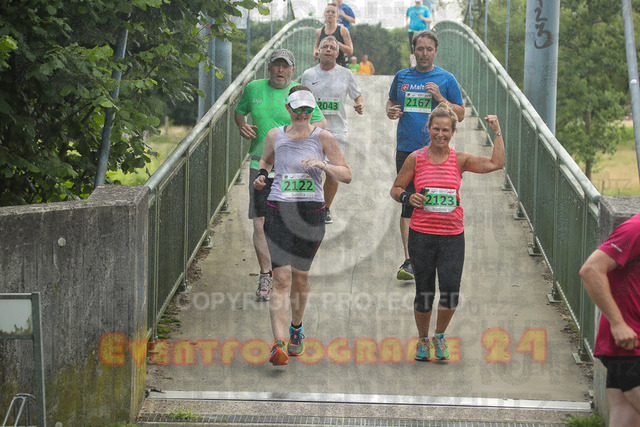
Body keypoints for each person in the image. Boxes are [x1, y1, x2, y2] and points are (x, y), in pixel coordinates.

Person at [390, 104, 504, 361]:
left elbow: (496, 163)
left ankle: (439, 336)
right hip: (422, 236)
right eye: (436, 129)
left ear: (453, 132)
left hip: (452, 237)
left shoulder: (459, 160)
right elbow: (396, 188)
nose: (440, 134)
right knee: (424, 293)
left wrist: (497, 131)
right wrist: (408, 197)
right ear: (428, 129)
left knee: (451, 292)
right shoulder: (416, 158)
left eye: (445, 130)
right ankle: (423, 340)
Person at [254, 86, 352, 365]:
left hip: (311, 214)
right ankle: (278, 344)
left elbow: (346, 175)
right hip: (279, 210)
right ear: (288, 108)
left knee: (299, 278)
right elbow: (266, 159)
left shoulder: (323, 137)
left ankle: (296, 328)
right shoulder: (275, 135)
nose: (302, 114)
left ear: (313, 111)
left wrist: (323, 166)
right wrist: (262, 175)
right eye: (297, 109)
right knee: (282, 279)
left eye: (307, 110)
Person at [235, 49, 326, 302]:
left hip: (291, 169)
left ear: (293, 70)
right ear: (269, 67)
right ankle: (266, 275)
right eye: (276, 65)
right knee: (260, 222)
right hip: (261, 164)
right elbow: (239, 111)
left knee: (291, 221)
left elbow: (321, 122)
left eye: (285, 66)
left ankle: (291, 271)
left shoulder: (299, 93)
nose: (280, 70)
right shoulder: (253, 88)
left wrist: (297, 137)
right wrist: (241, 124)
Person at [386, 30, 465, 281]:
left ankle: (434, 252)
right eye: (420, 49)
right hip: (407, 149)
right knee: (408, 201)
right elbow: (391, 102)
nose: (424, 54)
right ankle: (410, 260)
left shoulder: (446, 78)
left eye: (429, 49)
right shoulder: (402, 77)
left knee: (435, 203)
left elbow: (461, 114)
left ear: (435, 52)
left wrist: (440, 98)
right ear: (414, 51)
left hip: (437, 152)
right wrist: (391, 111)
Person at [580, 213, 640, 426]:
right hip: (629, 343)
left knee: (626, 416)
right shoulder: (635, 228)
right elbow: (591, 270)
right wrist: (618, 323)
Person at [302, 36, 364, 224]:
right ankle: (311, 205)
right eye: (325, 47)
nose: (328, 50)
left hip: (337, 131)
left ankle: (325, 209)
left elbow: (358, 96)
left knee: (333, 171)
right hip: (312, 130)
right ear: (319, 51)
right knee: (311, 169)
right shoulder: (308, 75)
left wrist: (359, 104)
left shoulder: (346, 74)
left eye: (332, 47)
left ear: (337, 53)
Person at [313, 3, 353, 68]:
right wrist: (316, 52)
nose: (330, 14)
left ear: (337, 15)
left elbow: (350, 51)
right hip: (324, 67)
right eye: (328, 12)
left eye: (333, 12)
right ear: (324, 14)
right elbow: (316, 46)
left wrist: (337, 43)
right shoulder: (319, 31)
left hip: (339, 67)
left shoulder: (343, 30)